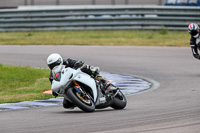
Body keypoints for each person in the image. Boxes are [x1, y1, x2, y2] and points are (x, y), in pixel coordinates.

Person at [46, 53, 112, 109]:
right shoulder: (52, 75)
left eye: (55, 64)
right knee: (66, 105)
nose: (53, 66)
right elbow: (53, 83)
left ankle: (104, 81)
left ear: (59, 61)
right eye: (51, 65)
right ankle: (81, 101)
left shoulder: (67, 62)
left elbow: (78, 62)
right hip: (67, 85)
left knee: (87, 68)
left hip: (78, 76)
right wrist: (54, 92)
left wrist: (77, 63)